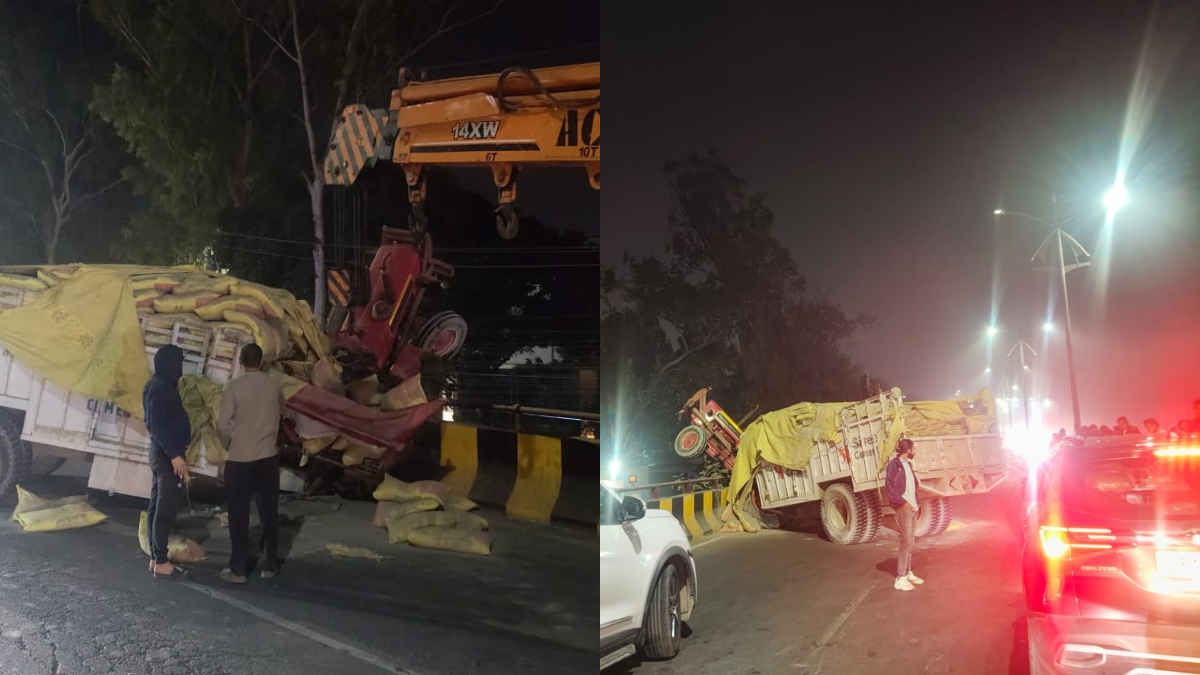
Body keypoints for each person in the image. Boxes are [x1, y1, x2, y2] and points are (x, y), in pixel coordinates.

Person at [217, 344, 287, 584]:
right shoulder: (274, 385)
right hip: (268, 457)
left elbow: (222, 425)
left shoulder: (233, 387)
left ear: (240, 362)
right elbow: (284, 413)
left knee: (239, 515)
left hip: (240, 459)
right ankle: (269, 565)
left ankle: (239, 570)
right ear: (262, 362)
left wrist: (228, 444)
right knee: (269, 512)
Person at [142, 345, 192, 579]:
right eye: (179, 363)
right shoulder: (162, 388)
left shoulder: (157, 384)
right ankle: (160, 560)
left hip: (161, 452)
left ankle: (156, 557)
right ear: (170, 364)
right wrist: (175, 455)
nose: (181, 368)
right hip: (165, 455)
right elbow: (157, 425)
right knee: (164, 510)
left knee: (156, 506)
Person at [885, 438, 924, 591]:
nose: (914, 451)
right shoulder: (894, 465)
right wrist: (902, 503)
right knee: (905, 542)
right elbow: (890, 487)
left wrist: (915, 502)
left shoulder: (908, 464)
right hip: (904, 509)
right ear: (908, 450)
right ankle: (900, 578)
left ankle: (907, 573)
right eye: (913, 449)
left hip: (913, 508)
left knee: (911, 542)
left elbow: (912, 484)